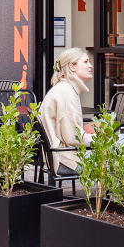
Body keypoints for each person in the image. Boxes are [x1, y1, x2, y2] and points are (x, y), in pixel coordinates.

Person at [40, 47, 96, 176]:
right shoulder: (67, 93)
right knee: (122, 142)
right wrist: (102, 138)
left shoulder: (64, 89)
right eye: (86, 62)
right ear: (72, 67)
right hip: (67, 160)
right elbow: (74, 138)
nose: (90, 66)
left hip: (58, 157)